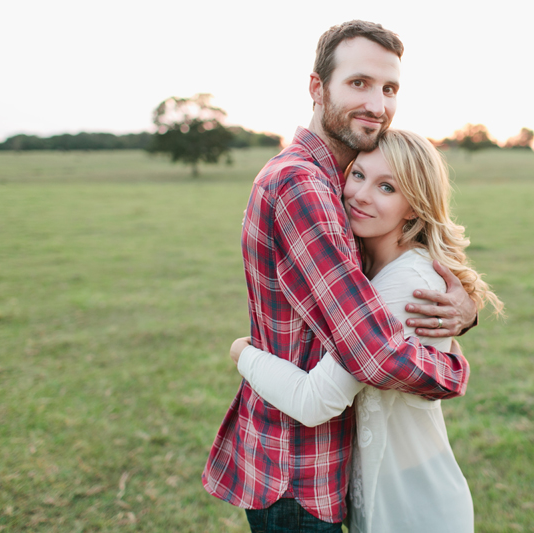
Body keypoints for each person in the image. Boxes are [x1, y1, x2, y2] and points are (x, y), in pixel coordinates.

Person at [201, 21, 479, 532]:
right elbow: (371, 351)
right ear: (317, 88)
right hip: (299, 468)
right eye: (359, 83)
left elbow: (382, 299)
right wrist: (453, 371)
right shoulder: (304, 184)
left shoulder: (334, 182)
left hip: (320, 465)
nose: (377, 103)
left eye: (389, 88)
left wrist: (462, 314)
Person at [230, 129, 504, 532]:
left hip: (413, 503)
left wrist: (243, 352)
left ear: (413, 207)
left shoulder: (404, 282)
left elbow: (314, 402)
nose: (360, 194)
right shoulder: (369, 267)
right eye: (357, 175)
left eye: (387, 187)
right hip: (380, 491)